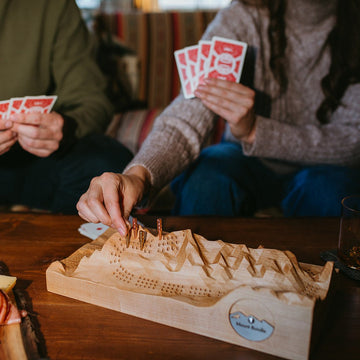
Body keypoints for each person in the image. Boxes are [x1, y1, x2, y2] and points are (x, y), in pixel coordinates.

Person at [77, 0, 360, 235]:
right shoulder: (244, 16)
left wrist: (255, 131)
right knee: (207, 176)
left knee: (329, 191)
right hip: (243, 160)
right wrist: (137, 175)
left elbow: (353, 139)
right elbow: (188, 115)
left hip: (328, 168)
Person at [0, 0, 133, 213]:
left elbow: (93, 100)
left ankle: (64, 245)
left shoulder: (54, 5)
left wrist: (65, 127)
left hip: (32, 161)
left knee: (107, 162)